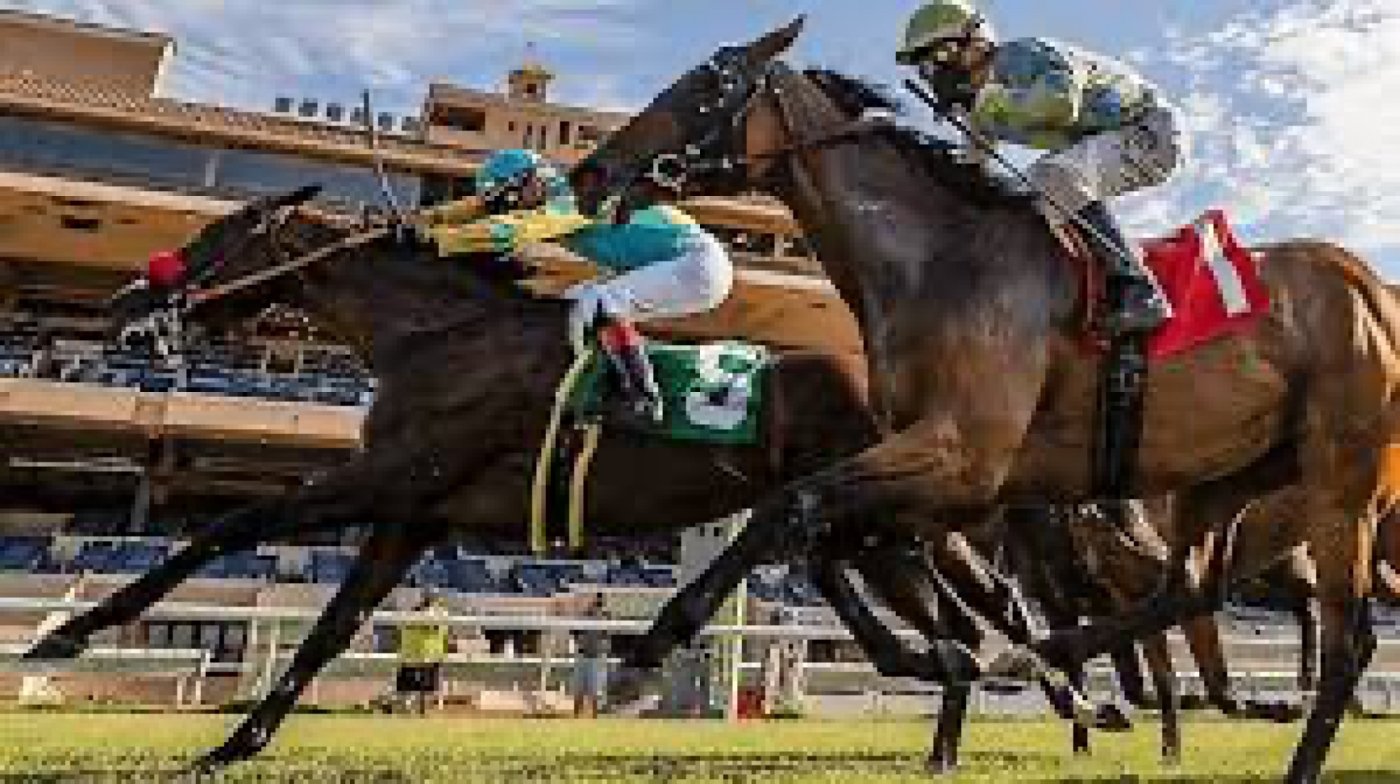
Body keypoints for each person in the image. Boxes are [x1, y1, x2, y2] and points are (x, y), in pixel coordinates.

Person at [897, 0, 1184, 335]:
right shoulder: (982, 105)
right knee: (1028, 195)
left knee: (1052, 176)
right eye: (925, 67)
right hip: (1108, 142)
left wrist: (985, 102)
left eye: (940, 56)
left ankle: (1140, 290)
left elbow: (1061, 104)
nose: (935, 72)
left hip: (1148, 130)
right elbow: (972, 164)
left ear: (975, 41)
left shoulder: (1020, 56)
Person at [427, 149, 734, 427]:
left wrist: (436, 241)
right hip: (673, 262)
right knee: (568, 306)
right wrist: (428, 219)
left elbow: (510, 230)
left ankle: (642, 399)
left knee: (599, 302)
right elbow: (480, 208)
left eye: (511, 199)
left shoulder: (575, 199)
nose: (510, 208)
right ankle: (592, 384)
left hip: (696, 263)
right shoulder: (558, 192)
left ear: (532, 183)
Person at [394, 593, 450, 715]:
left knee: (414, 685)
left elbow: (399, 633)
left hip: (415, 655)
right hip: (425, 655)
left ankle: (413, 707)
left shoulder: (409, 615)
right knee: (423, 685)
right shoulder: (439, 614)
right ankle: (420, 707)